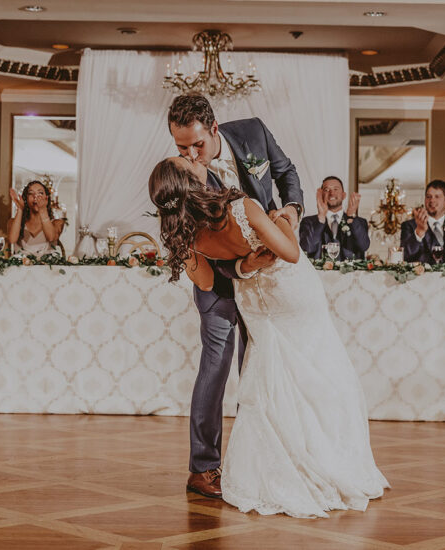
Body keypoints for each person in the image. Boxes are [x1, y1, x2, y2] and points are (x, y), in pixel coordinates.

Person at [150, 157, 388, 518]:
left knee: (270, 377)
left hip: (252, 299)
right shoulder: (238, 207)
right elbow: (290, 253)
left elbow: (208, 282)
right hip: (290, 292)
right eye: (187, 161)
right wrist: (279, 220)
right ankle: (327, 457)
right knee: (319, 367)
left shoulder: (183, 233)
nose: (196, 160)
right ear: (191, 181)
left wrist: (245, 266)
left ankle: (272, 467)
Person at [167, 94, 304, 500]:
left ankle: (251, 456)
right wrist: (244, 268)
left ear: (214, 128)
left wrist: (292, 209)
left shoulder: (253, 131)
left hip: (268, 274)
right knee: (216, 368)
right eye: (181, 148)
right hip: (219, 284)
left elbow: (286, 172)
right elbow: (200, 249)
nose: (193, 156)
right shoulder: (184, 177)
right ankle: (203, 468)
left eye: (197, 145)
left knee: (259, 365)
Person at [299, 176, 370, 260]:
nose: (331, 193)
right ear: (321, 195)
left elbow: (364, 246)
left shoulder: (360, 222)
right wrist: (321, 217)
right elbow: (307, 249)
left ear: (343, 195)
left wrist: (351, 218)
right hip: (318, 273)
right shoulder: (308, 222)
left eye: (336, 189)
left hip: (350, 273)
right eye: (327, 190)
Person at [7, 181, 64, 256]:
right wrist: (20, 209)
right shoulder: (13, 222)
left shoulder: (57, 223)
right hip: (22, 267)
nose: (35, 196)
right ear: (26, 199)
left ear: (46, 198)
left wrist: (43, 210)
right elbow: (12, 240)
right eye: (31, 193)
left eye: (40, 193)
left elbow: (51, 237)